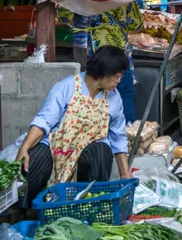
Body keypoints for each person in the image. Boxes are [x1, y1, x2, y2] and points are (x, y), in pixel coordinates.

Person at [17, 46, 132, 207]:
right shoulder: (67, 86)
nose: (118, 81)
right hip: (57, 149)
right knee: (34, 159)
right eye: (116, 77)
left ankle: (90, 206)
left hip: (85, 155)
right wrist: (24, 148)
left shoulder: (114, 98)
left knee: (101, 152)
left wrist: (125, 174)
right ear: (103, 73)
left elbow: (118, 138)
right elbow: (44, 121)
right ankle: (27, 211)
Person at [57, 1, 143, 122]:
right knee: (124, 100)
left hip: (91, 58)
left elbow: (62, 14)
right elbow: (136, 24)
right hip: (118, 57)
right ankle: (127, 135)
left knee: (90, 101)